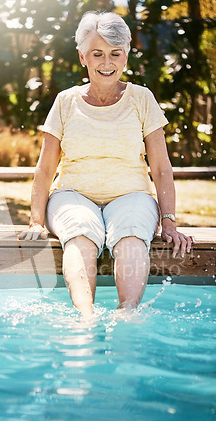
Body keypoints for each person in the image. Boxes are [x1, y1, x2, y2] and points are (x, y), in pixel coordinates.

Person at [18, 11, 194, 319]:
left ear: (126, 56)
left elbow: (162, 168)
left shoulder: (142, 99)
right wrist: (36, 221)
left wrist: (169, 222)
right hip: (72, 194)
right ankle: (85, 319)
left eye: (115, 54)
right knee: (81, 234)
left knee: (130, 234)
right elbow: (45, 169)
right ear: (83, 57)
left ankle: (126, 316)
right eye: (97, 54)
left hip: (132, 195)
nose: (107, 62)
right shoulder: (65, 102)